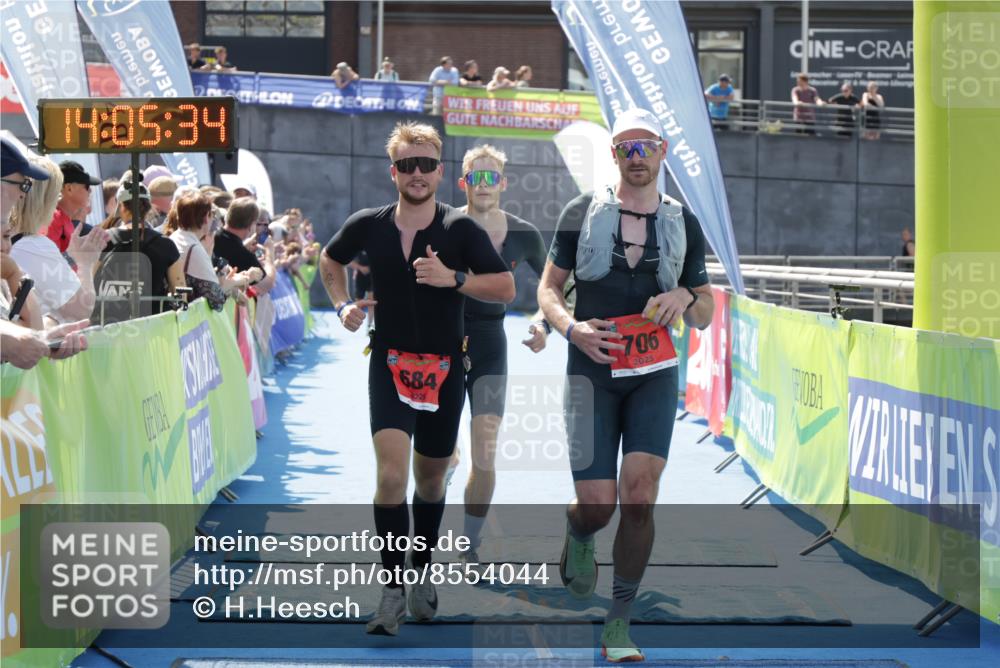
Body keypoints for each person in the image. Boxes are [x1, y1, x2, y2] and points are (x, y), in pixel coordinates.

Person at [320, 122, 514, 636]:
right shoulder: (369, 223)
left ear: (440, 172)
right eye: (408, 165)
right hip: (388, 363)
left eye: (426, 164)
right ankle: (390, 591)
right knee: (390, 474)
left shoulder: (459, 230)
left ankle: (422, 573)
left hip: (446, 369)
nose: (418, 173)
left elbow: (506, 287)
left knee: (429, 480)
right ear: (394, 172)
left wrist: (454, 279)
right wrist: (342, 305)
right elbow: (329, 259)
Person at [536, 108, 714, 662]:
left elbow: (705, 310)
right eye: (627, 149)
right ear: (614, 155)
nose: (637, 158)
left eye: (647, 148)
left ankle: (619, 621)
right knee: (599, 505)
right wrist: (571, 328)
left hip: (653, 374)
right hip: (592, 368)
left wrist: (686, 296)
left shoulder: (683, 221)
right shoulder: (580, 211)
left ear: (662, 152)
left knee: (639, 496)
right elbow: (546, 290)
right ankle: (578, 528)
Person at [447, 145, 549, 563]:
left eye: (492, 178)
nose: (484, 185)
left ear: (503, 183)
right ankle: (448, 459)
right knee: (435, 453)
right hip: (441, 340)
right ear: (464, 182)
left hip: (490, 341)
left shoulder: (524, 233)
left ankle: (469, 543)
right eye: (476, 177)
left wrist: (543, 322)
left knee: (485, 448)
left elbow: (553, 288)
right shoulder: (443, 223)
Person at [9, 157, 109, 324]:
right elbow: (79, 311)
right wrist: (85, 263)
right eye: (56, 194)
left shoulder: (20, 240)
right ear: (45, 199)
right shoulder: (35, 244)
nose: (57, 201)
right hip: (39, 347)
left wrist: (72, 257)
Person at [94, 181, 184, 323]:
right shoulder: (166, 245)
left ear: (121, 207)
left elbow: (88, 281)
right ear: (147, 208)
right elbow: (180, 291)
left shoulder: (102, 239)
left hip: (109, 327)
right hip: (153, 329)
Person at [166, 191, 257, 311]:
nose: (212, 219)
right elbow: (217, 300)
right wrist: (236, 281)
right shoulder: (194, 248)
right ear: (205, 218)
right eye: (211, 214)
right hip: (185, 320)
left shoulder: (176, 237)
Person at [214, 196, 277, 293]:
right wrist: (269, 252)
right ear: (251, 224)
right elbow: (267, 285)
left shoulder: (212, 235)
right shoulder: (241, 253)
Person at [45, 161, 100, 253]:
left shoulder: (63, 219)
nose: (90, 191)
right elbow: (50, 261)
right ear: (69, 188)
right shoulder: (52, 219)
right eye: (86, 186)